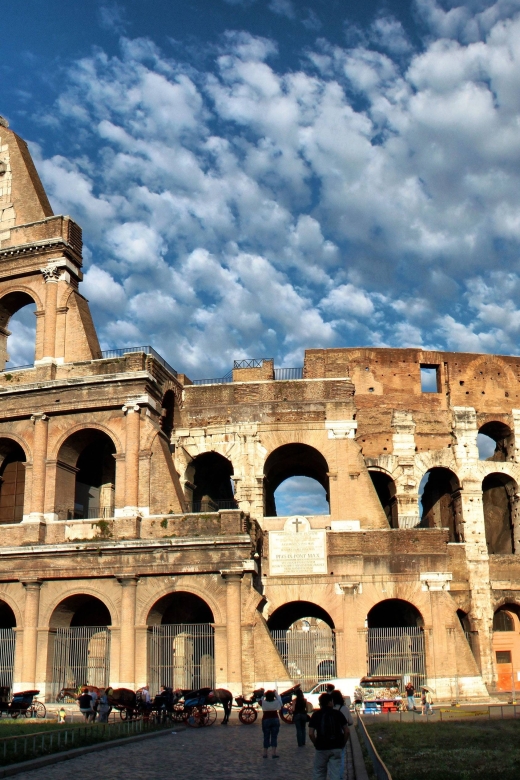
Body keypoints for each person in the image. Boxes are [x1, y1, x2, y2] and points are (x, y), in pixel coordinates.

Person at [309, 693, 349, 780]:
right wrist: (343, 743)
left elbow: (311, 733)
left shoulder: (316, 715)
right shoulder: (338, 714)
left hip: (321, 748)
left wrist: (316, 743)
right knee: (335, 773)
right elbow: (346, 731)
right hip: (336, 746)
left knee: (319, 772)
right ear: (330, 702)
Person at [261, 689, 283, 759]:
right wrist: (276, 694)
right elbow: (280, 700)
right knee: (274, 736)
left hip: (266, 719)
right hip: (275, 718)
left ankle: (265, 753)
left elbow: (260, 699)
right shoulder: (276, 702)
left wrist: (264, 694)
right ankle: (273, 753)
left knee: (266, 736)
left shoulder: (264, 703)